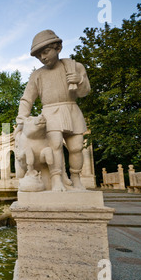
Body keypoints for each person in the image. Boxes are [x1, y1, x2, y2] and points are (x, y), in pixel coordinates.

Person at [16, 29, 90, 191]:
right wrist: (22, 118)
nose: (42, 57)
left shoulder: (75, 67)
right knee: (55, 145)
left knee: (76, 147)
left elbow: (84, 93)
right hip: (50, 113)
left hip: (71, 109)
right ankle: (56, 179)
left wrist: (79, 81)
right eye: (38, 55)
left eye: (46, 52)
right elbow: (27, 99)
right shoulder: (37, 75)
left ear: (58, 48)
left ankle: (76, 179)